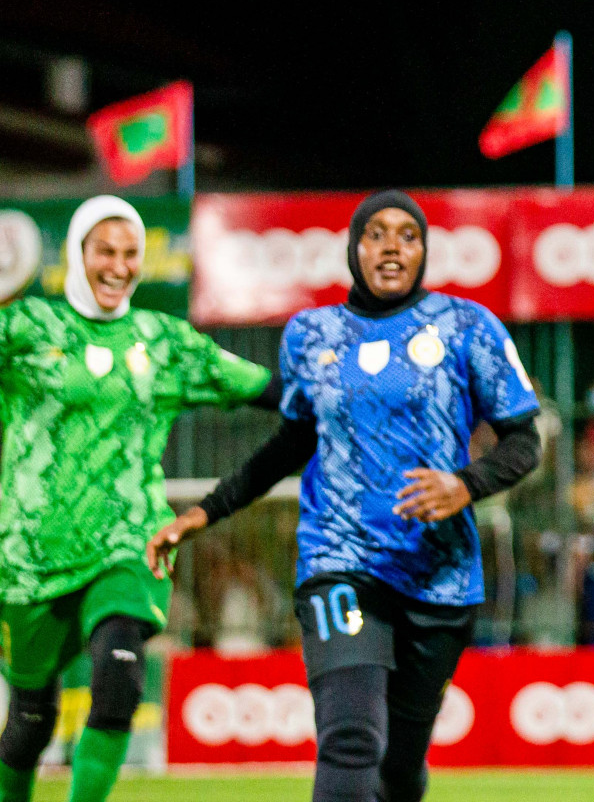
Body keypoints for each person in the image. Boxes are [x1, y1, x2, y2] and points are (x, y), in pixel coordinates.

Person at [146, 192, 542, 802]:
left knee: (399, 768)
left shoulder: (467, 327)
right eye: (376, 233)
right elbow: (291, 444)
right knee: (352, 737)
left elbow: (524, 442)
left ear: (424, 251)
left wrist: (466, 484)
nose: (391, 245)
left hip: (439, 575)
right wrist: (205, 512)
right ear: (354, 248)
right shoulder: (312, 334)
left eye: (407, 235)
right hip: (339, 562)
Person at [0, 196, 278, 802]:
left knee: (119, 674)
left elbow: (272, 391)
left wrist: (351, 393)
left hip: (130, 538)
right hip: (27, 551)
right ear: (77, 253)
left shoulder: (163, 341)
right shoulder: (23, 327)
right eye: (105, 251)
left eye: (131, 254)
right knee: (27, 725)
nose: (120, 266)